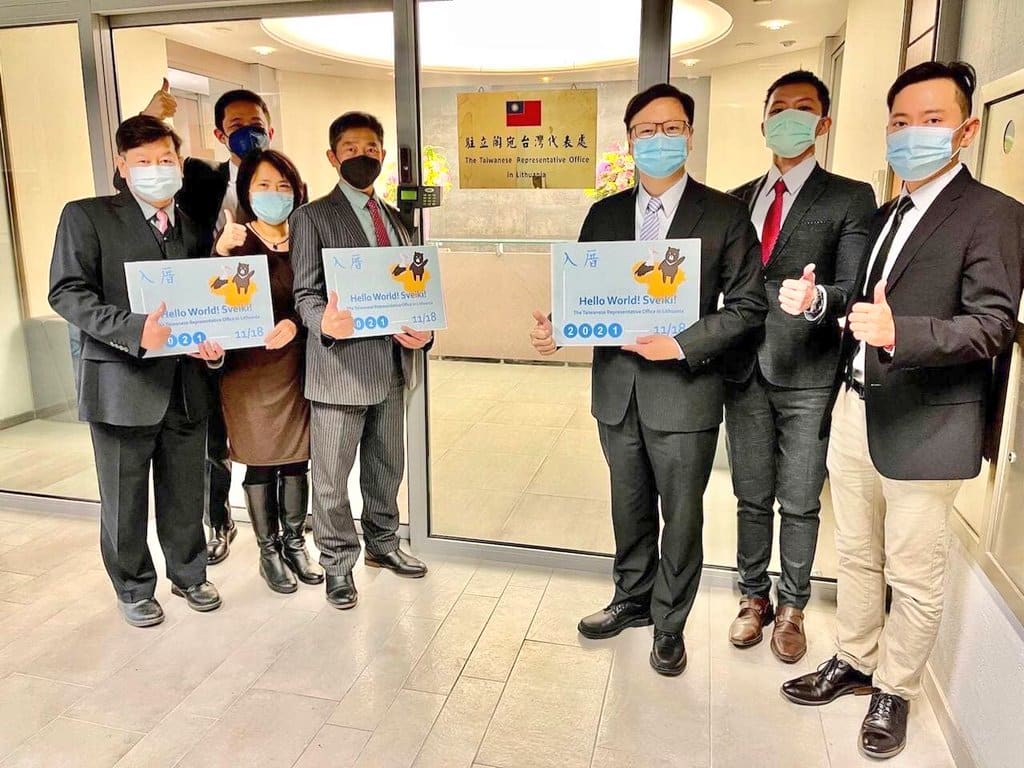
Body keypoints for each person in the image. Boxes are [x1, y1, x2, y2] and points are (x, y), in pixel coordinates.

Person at [781, 61, 1024, 759]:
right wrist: (820, 301)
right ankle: (854, 659)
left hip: (930, 421)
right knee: (856, 553)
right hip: (856, 408)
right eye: (900, 122)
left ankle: (896, 688)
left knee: (913, 575)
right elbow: (863, 306)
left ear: (966, 130)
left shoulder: (994, 215)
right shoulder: (888, 215)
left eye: (931, 120)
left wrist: (902, 334)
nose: (912, 134)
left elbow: (992, 326)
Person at [529, 84, 767, 676]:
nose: (659, 139)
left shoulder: (725, 214)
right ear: (630, 140)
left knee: (681, 516)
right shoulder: (605, 214)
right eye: (646, 131)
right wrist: (558, 326)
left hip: (684, 394)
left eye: (671, 128)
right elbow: (586, 293)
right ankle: (631, 598)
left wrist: (682, 344)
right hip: (617, 391)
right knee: (629, 505)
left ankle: (669, 622)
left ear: (689, 134)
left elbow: (747, 307)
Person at [724, 71, 876, 662]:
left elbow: (852, 286)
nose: (789, 117)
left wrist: (818, 300)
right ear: (763, 122)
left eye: (803, 108)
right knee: (750, 494)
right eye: (779, 108)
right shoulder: (736, 199)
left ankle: (792, 607)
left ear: (823, 122)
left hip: (809, 373)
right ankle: (752, 598)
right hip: (743, 370)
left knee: (801, 499)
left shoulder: (849, 196)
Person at [48, 115, 224, 628]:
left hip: (186, 386)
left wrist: (214, 348)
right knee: (124, 498)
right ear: (121, 166)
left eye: (165, 159)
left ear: (180, 164)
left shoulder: (195, 226)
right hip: (121, 384)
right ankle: (133, 586)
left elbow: (208, 301)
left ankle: (189, 574)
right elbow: (67, 292)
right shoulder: (87, 216)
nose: (155, 169)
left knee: (185, 491)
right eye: (143, 161)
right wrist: (133, 329)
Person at [291, 111, 432, 610]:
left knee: (386, 467)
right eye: (351, 149)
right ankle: (336, 563)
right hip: (339, 370)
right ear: (333, 157)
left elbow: (414, 291)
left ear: (383, 155)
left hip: (393, 365)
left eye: (371, 149)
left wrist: (424, 332)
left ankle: (383, 542)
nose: (362, 156)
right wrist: (323, 323)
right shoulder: (312, 217)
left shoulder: (396, 219)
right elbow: (305, 293)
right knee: (331, 478)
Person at [141, 83, 278, 564]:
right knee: (212, 436)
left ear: (270, 127)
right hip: (213, 327)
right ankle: (219, 520)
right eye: (237, 126)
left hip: (268, 335)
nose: (248, 133)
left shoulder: (285, 181)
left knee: (269, 431)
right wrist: (152, 117)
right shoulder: (199, 179)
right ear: (220, 134)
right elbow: (135, 177)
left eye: (256, 124)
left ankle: (279, 531)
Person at [213, 148, 322, 594]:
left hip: (297, 367)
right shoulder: (235, 239)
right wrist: (219, 253)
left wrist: (295, 323)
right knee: (259, 462)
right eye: (264, 185)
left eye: (283, 186)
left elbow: (318, 296)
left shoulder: (306, 237)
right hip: (247, 374)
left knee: (297, 458)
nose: (274, 194)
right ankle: (268, 551)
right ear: (247, 191)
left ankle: (295, 544)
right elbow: (211, 301)